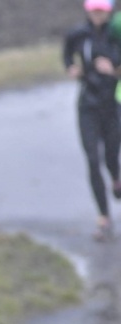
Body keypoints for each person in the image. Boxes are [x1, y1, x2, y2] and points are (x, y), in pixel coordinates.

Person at [63, 0, 121, 242]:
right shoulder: (78, 34)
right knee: (92, 159)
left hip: (112, 103)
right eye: (94, 10)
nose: (98, 15)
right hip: (87, 104)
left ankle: (116, 179)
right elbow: (66, 54)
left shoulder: (116, 34)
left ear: (109, 12)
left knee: (110, 154)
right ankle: (103, 217)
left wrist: (114, 71)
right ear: (88, 10)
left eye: (102, 10)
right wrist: (71, 68)